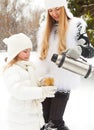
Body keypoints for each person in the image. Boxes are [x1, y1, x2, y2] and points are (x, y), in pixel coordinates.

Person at [36, 0, 94, 130]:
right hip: (45, 80)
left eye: (57, 9)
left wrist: (79, 50)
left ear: (64, 8)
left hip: (63, 80)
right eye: (50, 10)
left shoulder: (76, 25)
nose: (54, 13)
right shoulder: (44, 27)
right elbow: (39, 54)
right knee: (43, 120)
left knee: (55, 122)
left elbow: (90, 50)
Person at [3, 33, 56, 130]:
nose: (28, 54)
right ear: (15, 52)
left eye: (29, 51)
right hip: (21, 118)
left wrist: (42, 83)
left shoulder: (28, 66)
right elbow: (18, 91)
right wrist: (41, 92)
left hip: (34, 116)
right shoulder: (11, 69)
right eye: (25, 51)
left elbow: (32, 83)